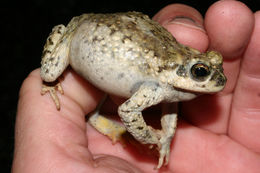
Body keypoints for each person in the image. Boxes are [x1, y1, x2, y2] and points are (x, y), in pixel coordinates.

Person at [12, 1, 260, 172]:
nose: (216, 80)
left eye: (211, 67)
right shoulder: (160, 80)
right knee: (49, 73)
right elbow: (128, 112)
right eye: (201, 73)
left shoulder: (168, 85)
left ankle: (97, 118)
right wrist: (149, 137)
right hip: (82, 31)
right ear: (182, 70)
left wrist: (167, 136)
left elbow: (170, 100)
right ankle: (95, 114)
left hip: (131, 46)